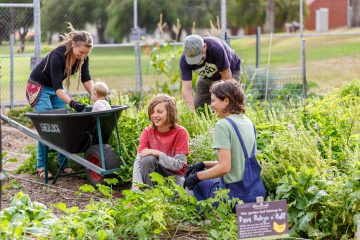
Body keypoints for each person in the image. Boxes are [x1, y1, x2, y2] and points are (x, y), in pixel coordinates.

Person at [26, 23, 94, 179]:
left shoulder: (82, 57)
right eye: (81, 52)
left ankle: (63, 166)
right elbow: (58, 88)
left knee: (64, 125)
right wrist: (72, 103)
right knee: (47, 127)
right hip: (39, 87)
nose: (83, 56)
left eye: (86, 53)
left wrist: (97, 95)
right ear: (72, 45)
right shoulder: (57, 56)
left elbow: (86, 79)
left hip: (55, 88)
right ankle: (41, 167)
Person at [183, 79, 266, 208]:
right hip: (255, 194)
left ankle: (210, 220)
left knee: (199, 185)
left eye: (214, 100)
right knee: (211, 180)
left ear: (226, 101)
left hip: (235, 198)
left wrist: (197, 177)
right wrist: (203, 164)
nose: (211, 105)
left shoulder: (223, 125)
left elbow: (224, 167)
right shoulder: (248, 122)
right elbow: (237, 162)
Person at [131, 94, 189, 191]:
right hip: (153, 175)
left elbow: (178, 164)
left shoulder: (181, 132)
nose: (154, 115)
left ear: (170, 113)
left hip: (174, 176)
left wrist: (157, 153)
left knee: (188, 195)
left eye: (159, 112)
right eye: (152, 112)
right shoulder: (147, 132)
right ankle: (151, 194)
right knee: (147, 159)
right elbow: (138, 160)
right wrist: (135, 185)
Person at [180, 34, 241, 109]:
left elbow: (227, 77)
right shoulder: (184, 59)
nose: (197, 62)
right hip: (207, 75)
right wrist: (191, 112)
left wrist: (217, 98)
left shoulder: (216, 48)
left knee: (228, 104)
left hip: (230, 71)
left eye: (200, 58)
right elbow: (186, 88)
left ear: (205, 47)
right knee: (197, 105)